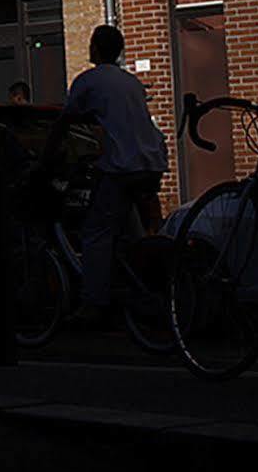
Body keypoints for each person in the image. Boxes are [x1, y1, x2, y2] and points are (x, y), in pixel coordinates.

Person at [42, 24, 167, 321]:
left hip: (121, 166)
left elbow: (64, 122)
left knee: (96, 232)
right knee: (131, 229)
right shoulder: (131, 82)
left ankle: (93, 303)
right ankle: (139, 282)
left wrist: (45, 161)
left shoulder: (88, 81)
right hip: (151, 163)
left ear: (95, 48)